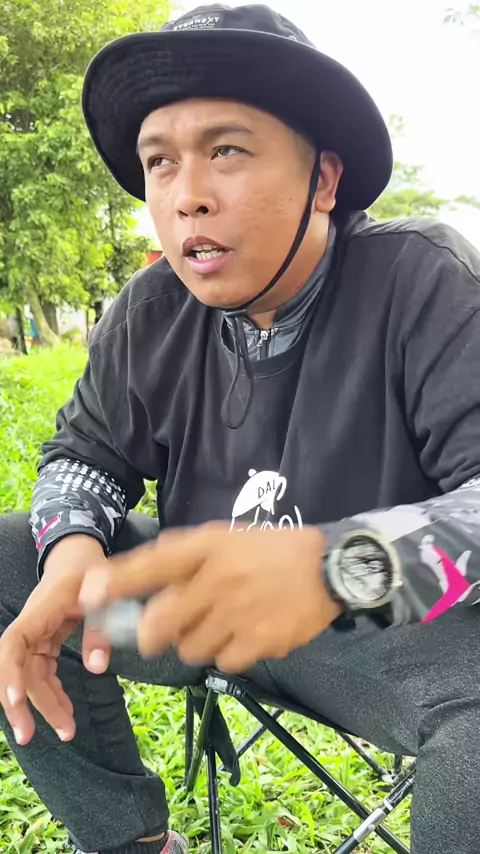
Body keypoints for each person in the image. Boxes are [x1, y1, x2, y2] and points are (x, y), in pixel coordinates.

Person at [1, 4, 480, 853]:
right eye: (160, 161)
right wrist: (71, 552)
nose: (186, 195)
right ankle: (129, 843)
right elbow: (83, 453)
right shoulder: (150, 311)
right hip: (195, 612)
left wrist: (333, 570)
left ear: (323, 180)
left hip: (371, 633)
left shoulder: (420, 280)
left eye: (226, 150)